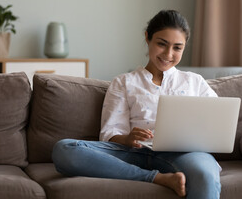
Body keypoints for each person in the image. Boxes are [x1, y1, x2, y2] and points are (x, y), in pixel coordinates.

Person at [52, 10, 221, 198]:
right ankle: (156, 178)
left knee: (205, 174)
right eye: (161, 44)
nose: (168, 54)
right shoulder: (124, 82)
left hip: (183, 154)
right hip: (133, 153)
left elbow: (217, 125)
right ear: (147, 38)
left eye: (177, 48)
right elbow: (109, 133)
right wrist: (127, 139)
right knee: (65, 149)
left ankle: (161, 174)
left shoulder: (194, 82)